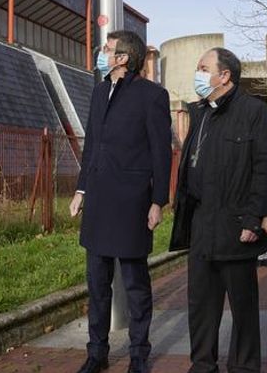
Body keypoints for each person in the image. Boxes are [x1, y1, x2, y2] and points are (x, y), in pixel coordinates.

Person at [69, 30, 172, 373]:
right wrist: (81, 190)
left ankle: (139, 356)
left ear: (123, 58)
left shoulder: (152, 96)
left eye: (107, 49)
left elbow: (161, 153)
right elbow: (93, 145)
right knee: (97, 285)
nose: (102, 53)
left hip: (132, 203)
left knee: (136, 285)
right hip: (98, 201)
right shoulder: (99, 92)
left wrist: (158, 201)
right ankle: (96, 353)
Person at [169, 47, 267, 373]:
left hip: (236, 223)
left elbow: (264, 169)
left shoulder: (254, 112)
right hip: (202, 223)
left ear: (224, 75)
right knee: (200, 303)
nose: (198, 74)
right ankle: (202, 364)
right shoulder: (200, 112)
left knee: (242, 306)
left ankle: (244, 367)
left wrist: (254, 218)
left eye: (203, 68)